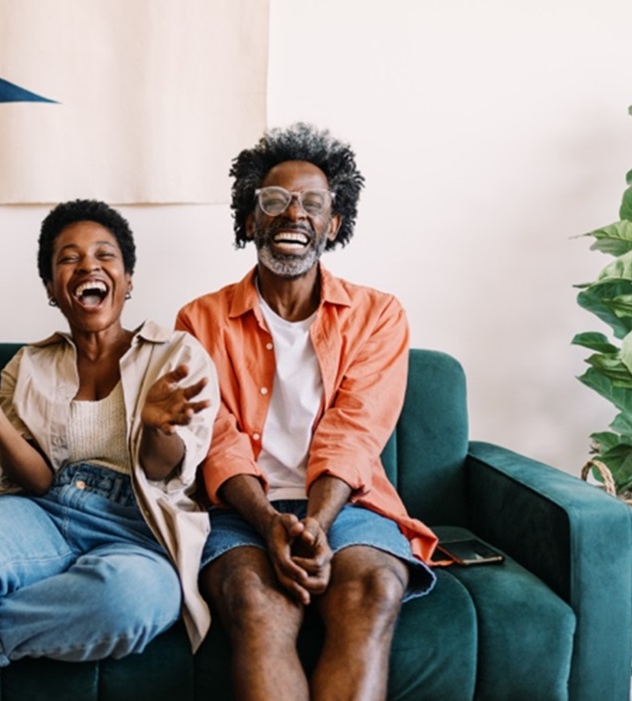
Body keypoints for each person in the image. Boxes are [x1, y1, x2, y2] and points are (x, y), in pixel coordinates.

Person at [0, 199, 218, 700]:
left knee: (133, 599)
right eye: (68, 258)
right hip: (46, 510)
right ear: (52, 287)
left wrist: (156, 427)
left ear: (128, 278)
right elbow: (38, 481)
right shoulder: (27, 365)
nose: (88, 265)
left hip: (138, 528)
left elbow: (163, 473)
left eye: (104, 255)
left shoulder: (178, 355)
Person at [175, 123, 438, 701]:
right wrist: (270, 522)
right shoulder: (200, 320)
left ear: (333, 225)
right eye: (274, 201)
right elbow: (214, 439)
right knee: (253, 600)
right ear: (250, 220)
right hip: (241, 510)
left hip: (348, 505)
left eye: (312, 204)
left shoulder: (378, 315)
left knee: (372, 592)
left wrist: (315, 523)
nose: (293, 214)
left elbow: (355, 432)